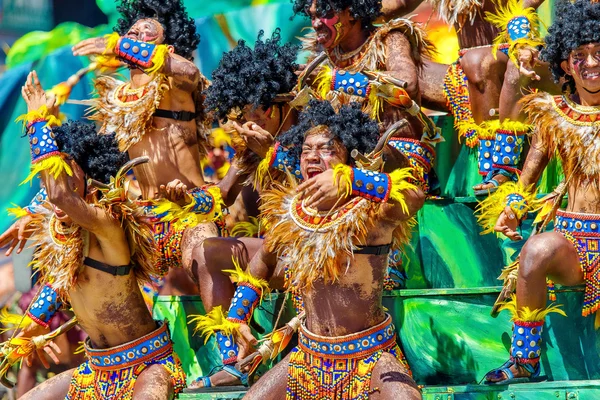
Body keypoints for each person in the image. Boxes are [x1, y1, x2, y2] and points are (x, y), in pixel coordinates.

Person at [196, 100, 424, 399]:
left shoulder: (371, 213)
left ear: (349, 159)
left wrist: (352, 180)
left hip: (369, 357)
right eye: (305, 150)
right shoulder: (291, 213)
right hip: (307, 358)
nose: (312, 157)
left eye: (326, 150)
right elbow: (260, 265)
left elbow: (415, 195)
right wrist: (238, 318)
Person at [0, 71, 186, 399]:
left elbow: (61, 196)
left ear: (91, 180)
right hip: (95, 370)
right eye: (50, 181)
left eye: (70, 177)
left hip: (148, 365)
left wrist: (37, 120)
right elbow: (55, 288)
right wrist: (23, 338)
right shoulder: (62, 237)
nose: (57, 186)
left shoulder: (108, 223)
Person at [71, 0, 241, 281]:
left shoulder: (177, 88)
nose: (134, 38)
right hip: (144, 224)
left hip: (190, 211)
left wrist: (120, 46)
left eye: (145, 33)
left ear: (168, 49)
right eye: (131, 34)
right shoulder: (118, 101)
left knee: (204, 262)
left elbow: (189, 71)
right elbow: (94, 166)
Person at [477, 0, 600, 384]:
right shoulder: (553, 115)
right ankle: (524, 361)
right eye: (580, 56)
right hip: (575, 243)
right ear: (565, 66)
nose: (592, 64)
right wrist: (511, 209)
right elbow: (528, 178)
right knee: (534, 251)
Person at [185, 28, 302, 390]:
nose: (253, 120)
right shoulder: (251, 145)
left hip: (316, 255)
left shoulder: (316, 135)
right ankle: (233, 362)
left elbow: (318, 194)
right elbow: (219, 197)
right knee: (206, 252)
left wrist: (274, 153)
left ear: (279, 105)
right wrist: (184, 199)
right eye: (247, 112)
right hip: (272, 255)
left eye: (259, 110)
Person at [384, 0, 550, 195]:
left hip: (515, 65)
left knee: (480, 62)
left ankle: (502, 169)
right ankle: (418, 171)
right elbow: (394, 5)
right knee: (399, 78)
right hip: (463, 72)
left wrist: (521, 41)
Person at [294, 0, 439, 194]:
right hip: (341, 159)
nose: (316, 23)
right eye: (312, 16)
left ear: (352, 12)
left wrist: (337, 79)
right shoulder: (320, 57)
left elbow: (407, 84)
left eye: (325, 13)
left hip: (400, 163)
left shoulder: (390, 39)